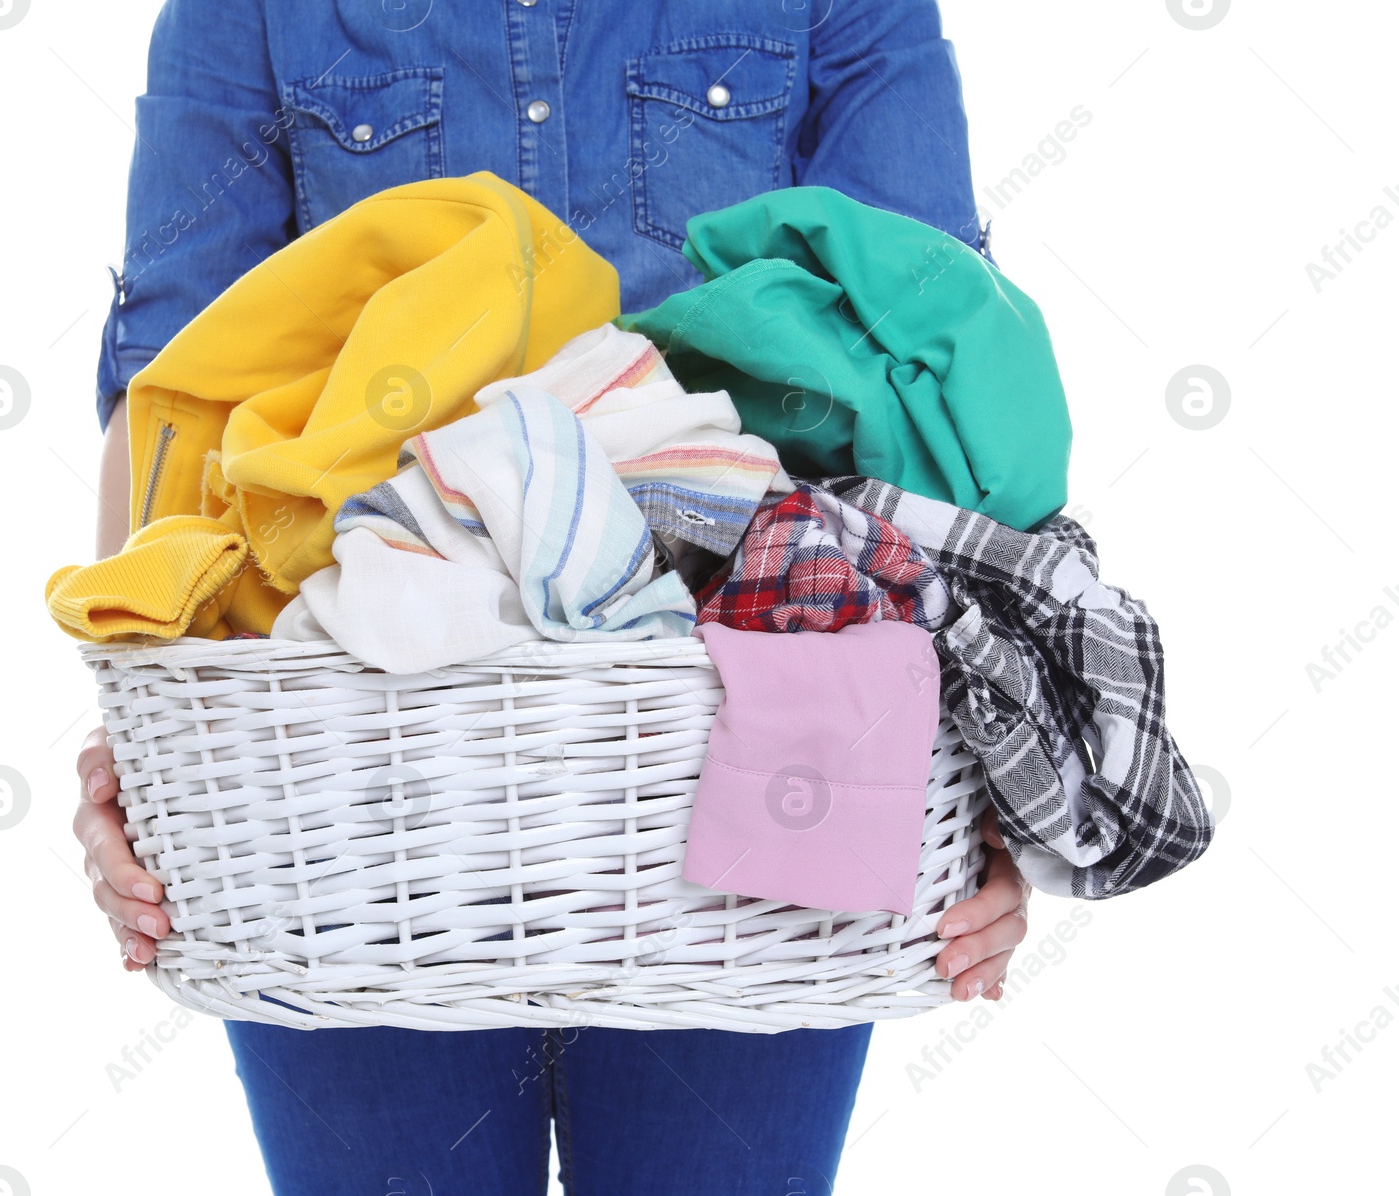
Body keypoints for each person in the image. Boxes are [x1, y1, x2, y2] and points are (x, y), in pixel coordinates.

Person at [73, 3, 1031, 1192]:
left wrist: (997, 768)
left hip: (771, 742)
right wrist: (137, 728)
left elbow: (946, 363)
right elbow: (174, 383)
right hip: (353, 788)